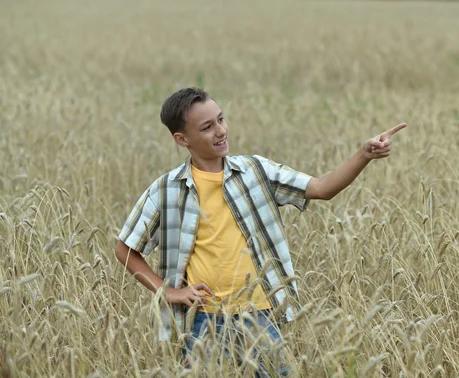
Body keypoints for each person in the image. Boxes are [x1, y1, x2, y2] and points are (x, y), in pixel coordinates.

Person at [114, 87, 406, 373]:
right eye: (207, 127)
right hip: (203, 320)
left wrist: (364, 155)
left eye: (221, 118)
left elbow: (322, 188)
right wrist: (169, 293)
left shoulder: (255, 171)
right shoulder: (166, 190)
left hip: (261, 313)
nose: (221, 130)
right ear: (182, 139)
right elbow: (125, 249)